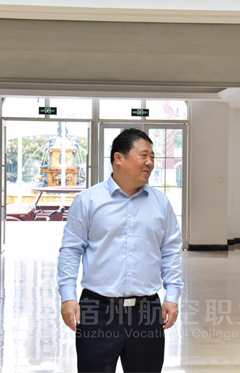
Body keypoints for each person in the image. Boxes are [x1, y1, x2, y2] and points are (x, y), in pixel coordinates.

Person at [57, 128, 183, 373]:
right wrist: (68, 297)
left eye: (152, 157)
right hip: (97, 310)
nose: (150, 163)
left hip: (147, 311)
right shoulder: (88, 200)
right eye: (143, 155)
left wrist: (172, 296)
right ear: (118, 158)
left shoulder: (160, 203)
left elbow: (170, 250)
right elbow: (71, 250)